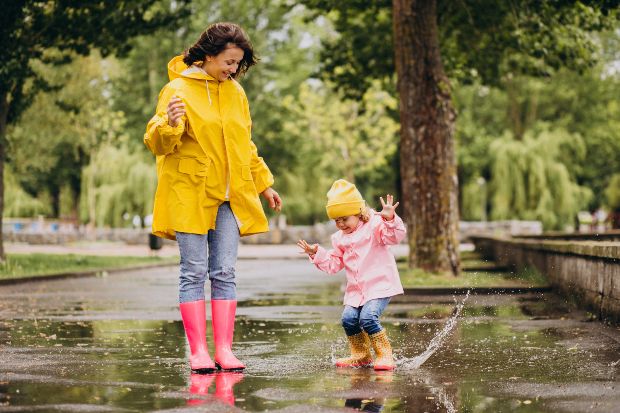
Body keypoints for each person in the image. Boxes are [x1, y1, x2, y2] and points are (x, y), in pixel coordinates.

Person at [144, 22, 282, 373]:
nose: (232, 69)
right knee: (193, 271)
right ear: (208, 56)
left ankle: (224, 349)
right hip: (190, 192)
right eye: (228, 62)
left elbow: (245, 144)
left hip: (229, 195)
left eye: (237, 63)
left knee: (225, 271)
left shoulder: (235, 92)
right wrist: (170, 124)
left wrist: (263, 183)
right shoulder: (176, 89)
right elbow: (157, 143)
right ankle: (199, 352)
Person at [297, 179, 405, 370]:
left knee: (368, 317)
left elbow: (394, 237)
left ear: (358, 212)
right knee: (348, 319)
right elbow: (334, 264)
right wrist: (316, 253)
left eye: (344, 218)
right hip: (356, 291)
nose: (340, 224)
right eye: (336, 220)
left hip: (380, 285)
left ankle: (385, 355)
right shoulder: (339, 238)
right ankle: (361, 355)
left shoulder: (375, 226)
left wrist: (390, 220)